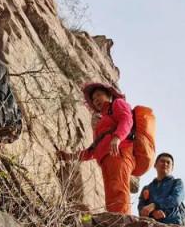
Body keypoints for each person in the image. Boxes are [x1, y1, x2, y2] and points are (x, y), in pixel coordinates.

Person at [58, 82, 135, 214]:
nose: (96, 100)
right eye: (93, 99)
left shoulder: (117, 104)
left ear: (108, 95)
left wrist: (117, 138)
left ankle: (123, 220)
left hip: (120, 152)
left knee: (118, 189)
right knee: (111, 194)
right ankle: (115, 221)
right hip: (106, 159)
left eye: (99, 95)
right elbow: (92, 151)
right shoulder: (101, 122)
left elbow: (126, 120)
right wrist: (69, 157)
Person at [138, 152, 185, 225]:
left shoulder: (177, 183)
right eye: (162, 161)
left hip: (174, 224)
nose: (165, 164)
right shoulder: (147, 188)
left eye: (168, 162)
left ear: (172, 168)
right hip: (151, 225)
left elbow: (176, 199)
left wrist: (155, 205)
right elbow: (141, 207)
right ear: (155, 165)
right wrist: (153, 213)